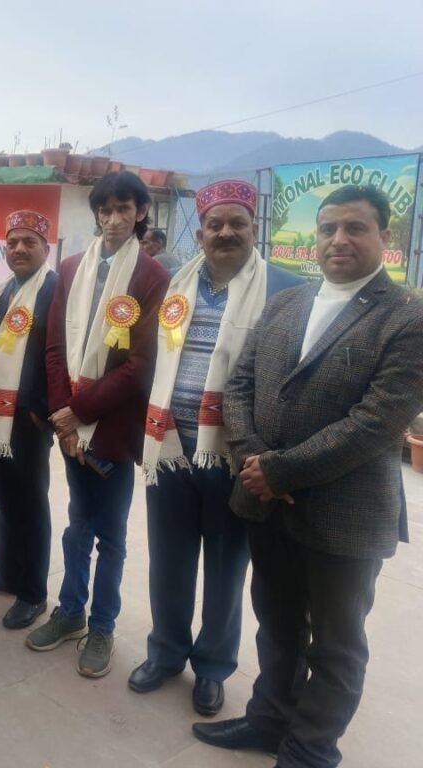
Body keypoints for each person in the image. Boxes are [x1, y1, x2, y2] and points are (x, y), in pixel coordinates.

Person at [194, 185, 423, 767]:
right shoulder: (287, 303)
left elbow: (376, 423)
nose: (338, 240)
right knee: (277, 624)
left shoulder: (408, 316)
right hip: (267, 502)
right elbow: (240, 385)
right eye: (328, 229)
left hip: (344, 513)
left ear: (386, 237)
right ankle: (268, 720)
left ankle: (310, 750)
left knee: (337, 644)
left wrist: (278, 469)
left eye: (355, 228)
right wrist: (254, 459)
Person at [132, 180, 303, 716]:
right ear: (201, 232)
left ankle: (212, 668)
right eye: (214, 224)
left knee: (226, 570)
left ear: (255, 228)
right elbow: (149, 359)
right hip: (170, 448)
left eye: (237, 223)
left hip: (234, 458)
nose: (225, 232)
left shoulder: (287, 290)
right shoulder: (175, 285)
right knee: (169, 562)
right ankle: (165, 653)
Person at [26, 171, 169, 677]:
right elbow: (53, 347)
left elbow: (141, 364)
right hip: (71, 426)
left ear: (140, 213)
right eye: (105, 211)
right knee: (77, 526)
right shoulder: (71, 268)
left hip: (113, 426)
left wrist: (81, 412)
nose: (113, 220)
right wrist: (64, 418)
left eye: (123, 209)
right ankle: (70, 612)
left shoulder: (151, 277)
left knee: (110, 535)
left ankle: (103, 626)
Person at [0, 210, 57, 629]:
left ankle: (33, 592)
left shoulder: (53, 290)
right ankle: (8, 572)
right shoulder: (4, 291)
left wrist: (42, 410)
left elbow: (59, 355)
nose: (19, 249)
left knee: (31, 504)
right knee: (4, 498)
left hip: (28, 419)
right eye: (12, 242)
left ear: (45, 248)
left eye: (28, 242)